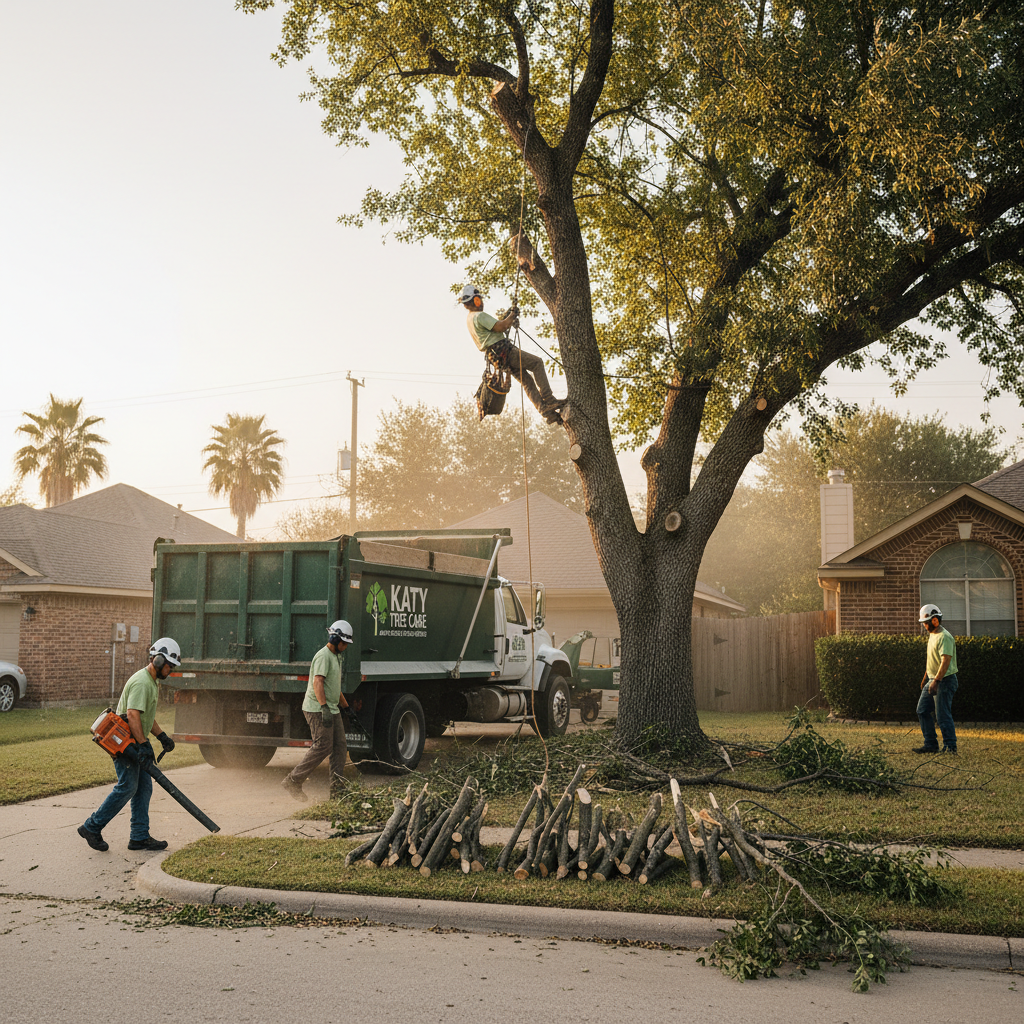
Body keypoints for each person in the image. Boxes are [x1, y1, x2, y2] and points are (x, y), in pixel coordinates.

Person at [78, 638, 180, 852]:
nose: (170, 671)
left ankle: (139, 837)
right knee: (128, 786)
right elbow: (132, 715)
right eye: (170, 666)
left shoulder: (151, 682)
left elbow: (145, 717)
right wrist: (143, 745)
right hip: (124, 742)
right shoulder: (142, 682)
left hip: (134, 741)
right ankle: (91, 826)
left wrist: (162, 737)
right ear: (160, 661)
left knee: (143, 787)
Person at [460, 284, 566, 424]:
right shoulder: (479, 316)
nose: (481, 302)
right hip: (504, 352)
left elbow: (497, 327)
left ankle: (546, 412)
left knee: (527, 381)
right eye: (479, 299)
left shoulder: (469, 319)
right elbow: (501, 326)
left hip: (497, 359)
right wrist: (511, 316)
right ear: (475, 300)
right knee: (537, 363)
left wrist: (508, 317)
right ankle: (549, 400)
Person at [281, 619, 353, 801]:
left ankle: (338, 791)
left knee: (339, 746)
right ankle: (293, 780)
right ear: (336, 640)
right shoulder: (323, 656)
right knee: (323, 745)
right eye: (344, 643)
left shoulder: (336, 657)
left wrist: (347, 708)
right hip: (317, 708)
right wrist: (323, 708)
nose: (345, 646)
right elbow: (317, 682)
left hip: (331, 708)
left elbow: (334, 687)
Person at [913, 603, 959, 754]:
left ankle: (950, 747)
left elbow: (945, 661)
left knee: (942, 715)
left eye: (926, 623)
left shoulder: (945, 637)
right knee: (922, 710)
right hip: (932, 679)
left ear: (935, 620)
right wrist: (926, 676)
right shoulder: (933, 635)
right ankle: (931, 744)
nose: (924, 626)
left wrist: (936, 681)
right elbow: (933, 658)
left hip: (944, 680)